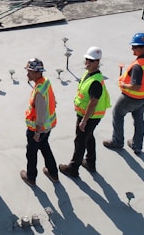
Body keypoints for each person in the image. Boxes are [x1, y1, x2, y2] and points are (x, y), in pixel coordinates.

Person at [104, 32, 144, 155]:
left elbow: (136, 86)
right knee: (139, 120)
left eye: (135, 47)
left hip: (130, 97)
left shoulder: (138, 66)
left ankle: (117, 141)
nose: (132, 49)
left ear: (143, 48)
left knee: (117, 114)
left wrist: (123, 85)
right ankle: (137, 145)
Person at [59, 47, 111, 178]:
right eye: (87, 59)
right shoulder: (89, 74)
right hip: (88, 115)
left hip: (89, 116)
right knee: (89, 136)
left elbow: (93, 102)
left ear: (97, 62)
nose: (87, 63)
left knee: (80, 141)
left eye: (91, 61)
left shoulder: (95, 82)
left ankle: (73, 168)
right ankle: (90, 162)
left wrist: (84, 121)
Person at [20, 58, 59, 186]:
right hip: (48, 127)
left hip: (37, 129)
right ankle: (53, 173)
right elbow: (52, 98)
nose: (27, 74)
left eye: (30, 72)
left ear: (38, 73)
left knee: (31, 153)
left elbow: (40, 114)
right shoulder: (45, 82)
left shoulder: (39, 91)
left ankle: (31, 177)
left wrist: (37, 132)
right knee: (45, 147)